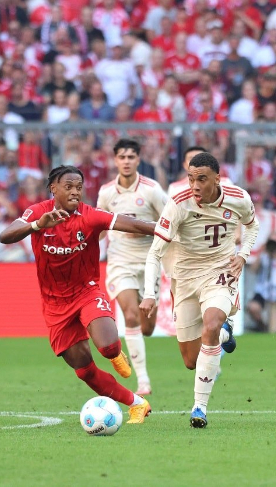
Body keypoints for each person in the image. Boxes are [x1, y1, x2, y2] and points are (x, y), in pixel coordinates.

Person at [0, 166, 154, 423]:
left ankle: (115, 353)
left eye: (79, 187)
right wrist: (38, 224)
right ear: (54, 188)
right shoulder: (38, 212)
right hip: (54, 304)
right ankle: (137, 403)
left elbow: (131, 223)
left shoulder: (90, 215)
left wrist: (163, 228)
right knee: (84, 371)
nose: (75, 192)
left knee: (108, 346)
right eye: (68, 186)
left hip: (86, 291)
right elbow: (6, 236)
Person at [140, 152, 259, 428]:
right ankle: (225, 334)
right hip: (185, 278)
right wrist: (150, 293)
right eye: (191, 179)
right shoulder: (178, 204)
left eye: (201, 179)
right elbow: (155, 253)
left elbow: (253, 226)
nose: (194, 185)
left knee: (212, 323)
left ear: (217, 178)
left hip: (220, 270)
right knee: (191, 361)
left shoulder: (238, 197)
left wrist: (243, 255)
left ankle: (199, 408)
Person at [97, 139, 168, 396]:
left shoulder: (151, 190)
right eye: (122, 157)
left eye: (131, 157)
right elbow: (100, 227)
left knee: (146, 327)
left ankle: (137, 348)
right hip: (120, 261)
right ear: (115, 160)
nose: (126, 161)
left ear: (138, 160)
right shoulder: (106, 193)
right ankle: (144, 381)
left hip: (149, 262)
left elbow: (170, 219)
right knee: (129, 315)